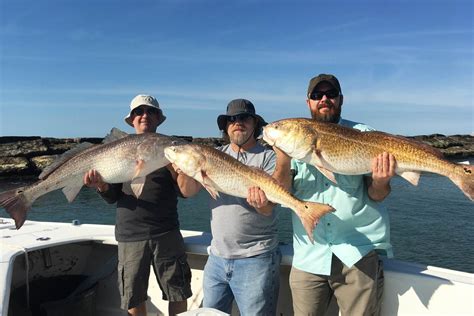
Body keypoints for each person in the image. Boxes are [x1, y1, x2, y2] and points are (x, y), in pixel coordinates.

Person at [273, 74, 396, 316]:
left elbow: (378, 195)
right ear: (308, 102)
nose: (324, 99)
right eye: (317, 96)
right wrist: (282, 160)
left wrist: (381, 181)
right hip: (309, 255)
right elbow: (281, 195)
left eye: (331, 94)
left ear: (341, 99)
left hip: (356, 254)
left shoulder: (364, 134)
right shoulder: (295, 139)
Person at [83, 94, 200, 316]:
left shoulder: (172, 148)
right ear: (132, 120)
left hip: (166, 233)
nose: (144, 115)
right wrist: (101, 186)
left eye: (150, 112)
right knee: (133, 296)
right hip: (130, 235)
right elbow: (112, 196)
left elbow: (186, 192)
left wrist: (178, 169)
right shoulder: (117, 150)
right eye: (139, 112)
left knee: (178, 291)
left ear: (158, 118)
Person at [202, 99, 281, 315]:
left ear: (255, 124)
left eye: (244, 118)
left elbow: (269, 208)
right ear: (226, 126)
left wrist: (263, 204)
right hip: (216, 258)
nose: (238, 123)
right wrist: (183, 168)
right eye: (232, 119)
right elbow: (187, 191)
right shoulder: (212, 156)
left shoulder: (268, 157)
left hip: (256, 259)